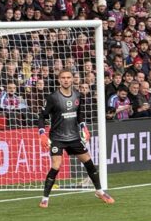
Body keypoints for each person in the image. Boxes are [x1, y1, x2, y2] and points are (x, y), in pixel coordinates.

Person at [36, 69, 114, 208]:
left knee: (88, 162)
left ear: (72, 79)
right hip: (57, 137)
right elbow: (42, 116)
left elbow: (79, 115)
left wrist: (84, 127)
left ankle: (99, 191)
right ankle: (45, 198)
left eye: (68, 77)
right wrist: (42, 133)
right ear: (59, 80)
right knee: (56, 165)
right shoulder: (53, 98)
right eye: (63, 78)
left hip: (74, 137)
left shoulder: (78, 95)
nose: (66, 80)